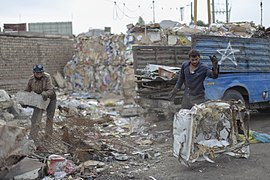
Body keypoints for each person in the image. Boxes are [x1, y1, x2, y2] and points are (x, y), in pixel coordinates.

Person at [24, 64, 57, 142]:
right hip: (39, 100)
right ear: (34, 73)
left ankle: (48, 137)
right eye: (37, 73)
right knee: (35, 119)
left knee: (49, 118)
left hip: (50, 98)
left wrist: (44, 94)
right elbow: (27, 91)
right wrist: (24, 100)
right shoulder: (31, 79)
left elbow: (50, 90)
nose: (39, 75)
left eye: (40, 73)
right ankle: (32, 138)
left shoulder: (47, 77)